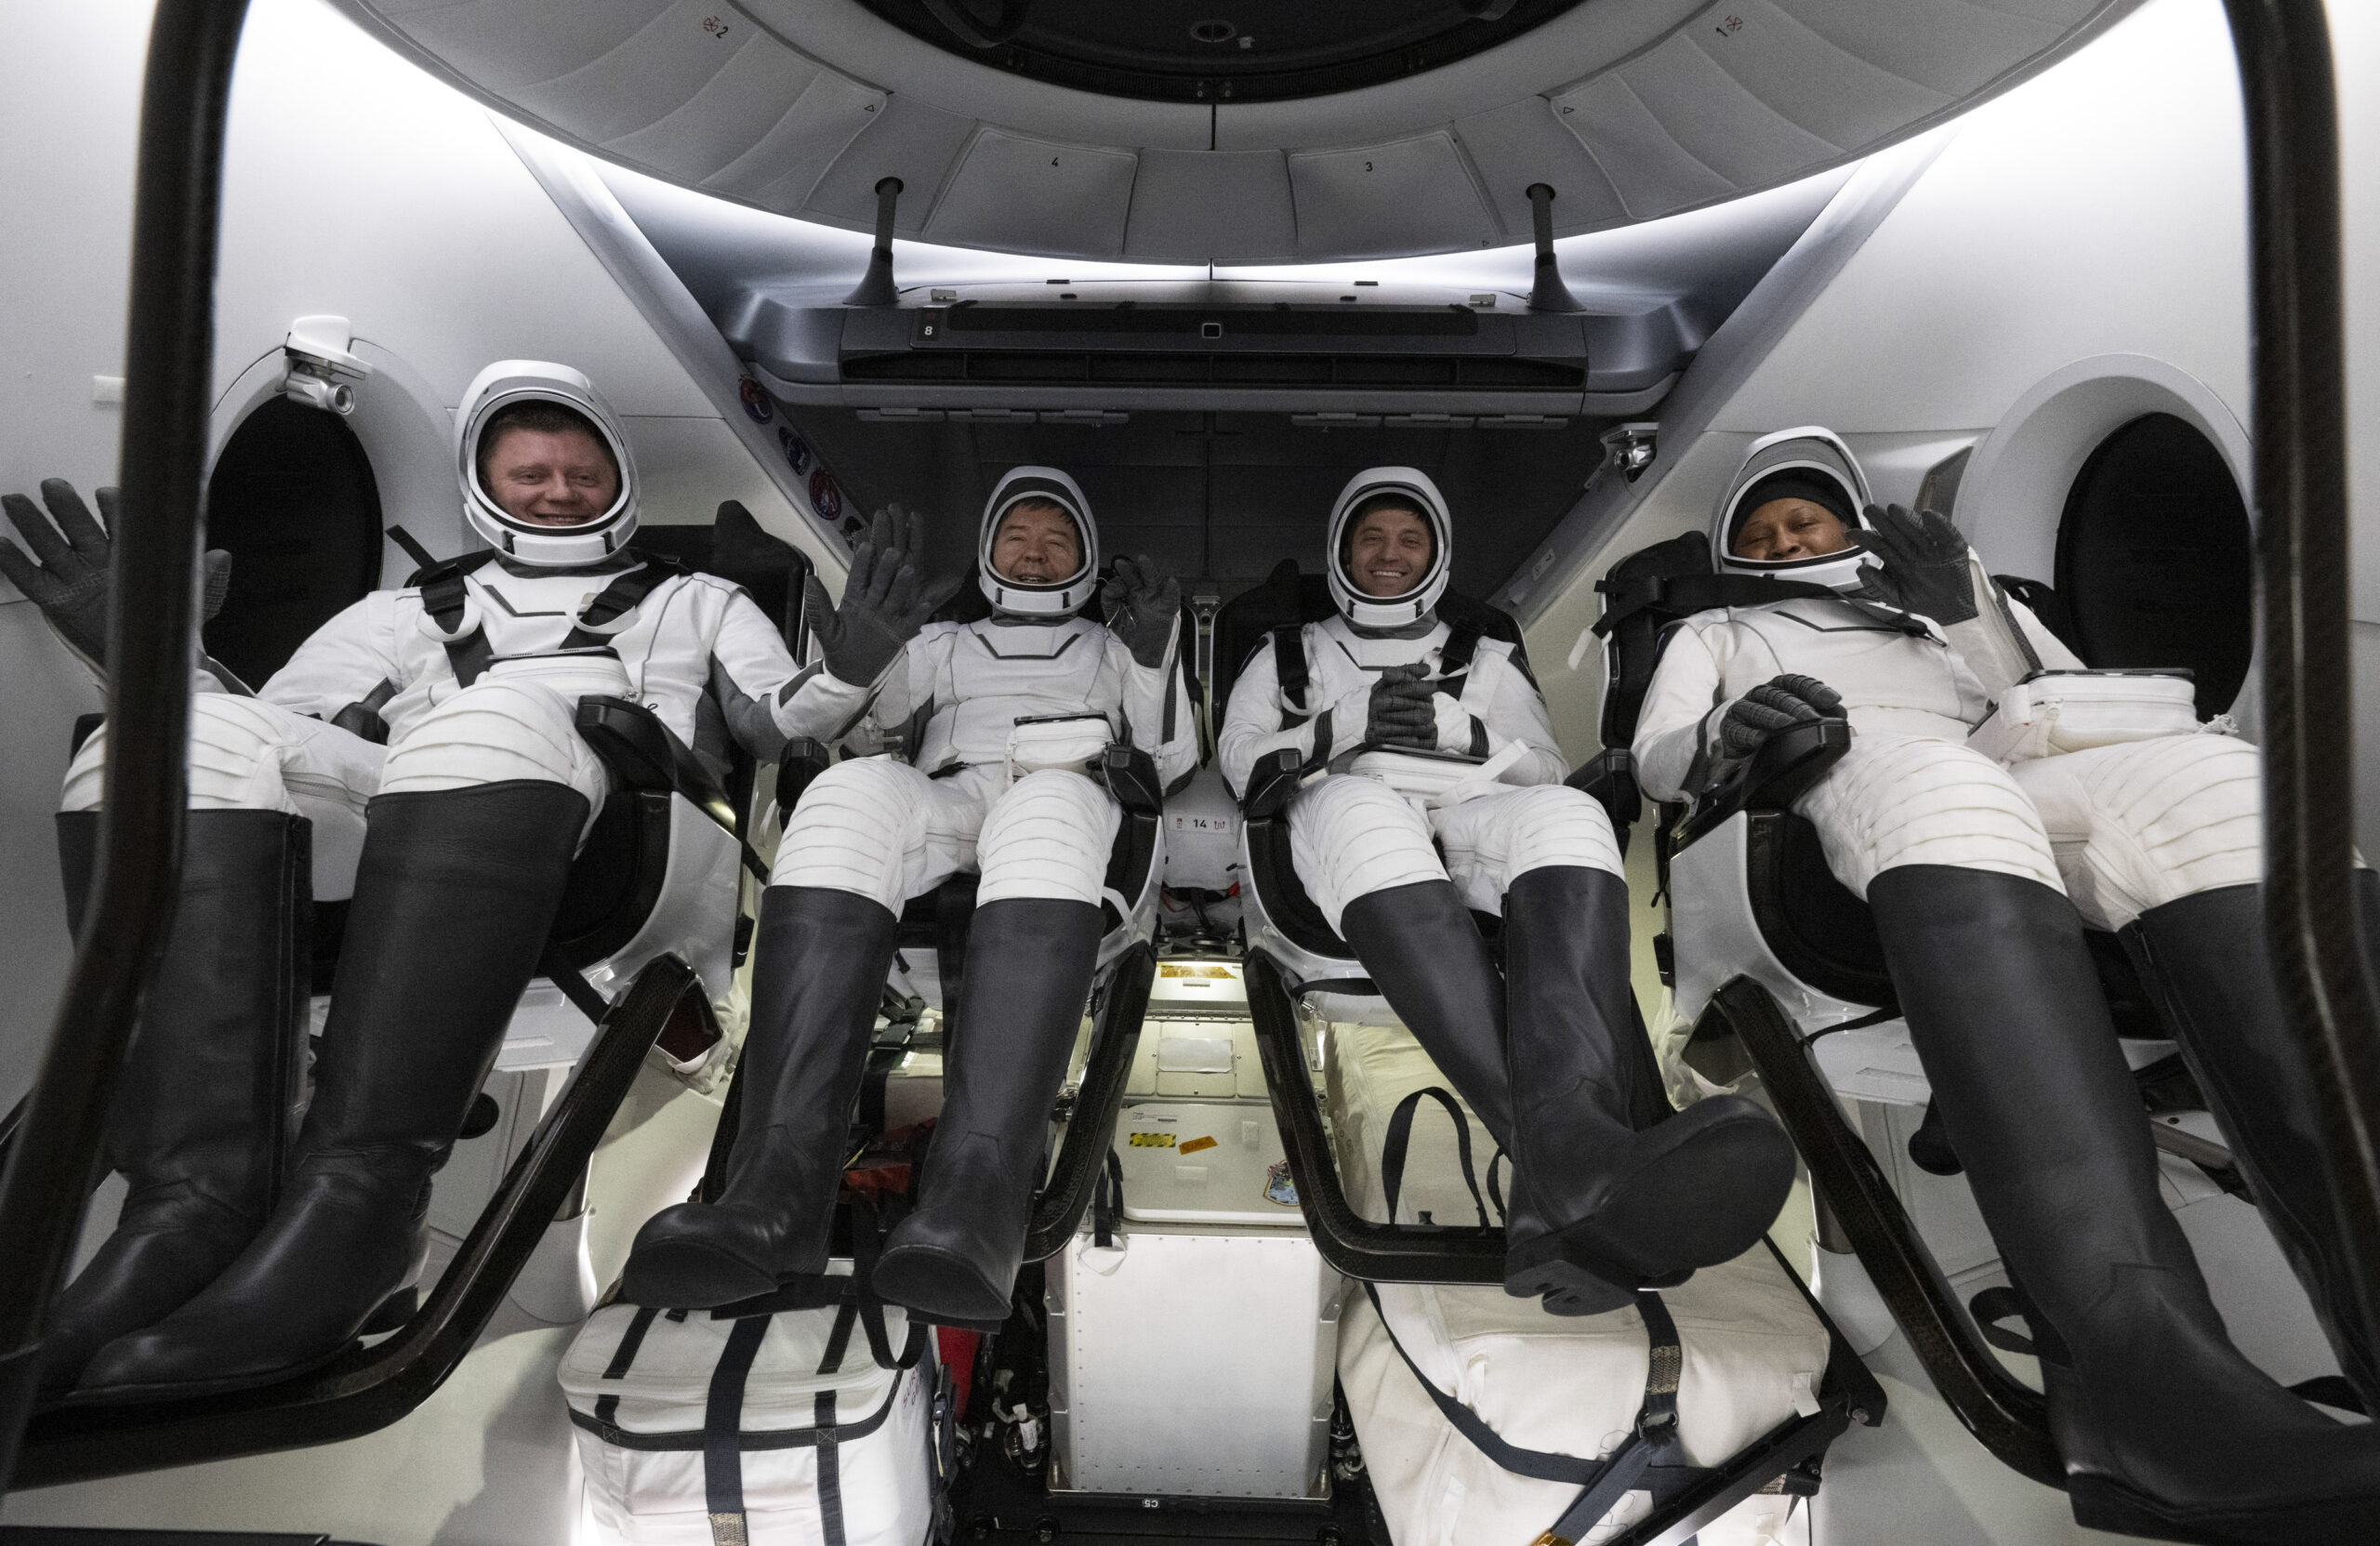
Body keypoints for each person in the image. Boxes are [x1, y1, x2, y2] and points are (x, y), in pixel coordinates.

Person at [1, 361, 840, 1399]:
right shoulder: (405, 610)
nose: (559, 492)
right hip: (431, 817)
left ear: (617, 474)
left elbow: (780, 716)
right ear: (483, 480)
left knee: (488, 717)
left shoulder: (694, 598)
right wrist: (154, 658)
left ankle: (366, 1204)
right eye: (531, 472)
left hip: (639, 846)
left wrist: (853, 664)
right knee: (171, 737)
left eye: (580, 471)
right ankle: (194, 1202)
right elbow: (283, 734)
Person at [1633, 426, 2380, 1540]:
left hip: (2033, 751)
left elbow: (2054, 695)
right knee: (1947, 790)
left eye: (1809, 518)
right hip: (1858, 766)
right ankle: (2146, 1391)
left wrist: (1961, 610)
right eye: (1764, 529)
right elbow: (1657, 757)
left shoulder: (1945, 592)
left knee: (2224, 787)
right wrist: (1729, 726)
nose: (1790, 537)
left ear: (1848, 519)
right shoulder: (1721, 625)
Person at [623, 466, 1193, 1326]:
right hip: (951, 794)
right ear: (989, 552)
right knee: (843, 797)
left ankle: (976, 1204)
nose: (1035, 558)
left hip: (1065, 792)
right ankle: (773, 1193)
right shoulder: (945, 642)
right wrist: (862, 650)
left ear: (1086, 558)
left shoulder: (1113, 648)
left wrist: (1153, 653)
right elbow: (855, 729)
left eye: (1056, 542)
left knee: (1047, 806)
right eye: (1018, 539)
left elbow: (1170, 760)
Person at [1218, 467, 1794, 1315]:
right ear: (1341, 551)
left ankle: (1560, 1175)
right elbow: (1240, 762)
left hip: (1471, 799)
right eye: (1370, 538)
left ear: (1437, 553)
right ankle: (1579, 1158)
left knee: (1566, 815)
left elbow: (1544, 767)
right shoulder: (1286, 654)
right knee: (1361, 807)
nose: (1389, 553)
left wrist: (1465, 728)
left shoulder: (1482, 655)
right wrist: (1346, 728)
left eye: (1408, 539)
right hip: (1342, 801)